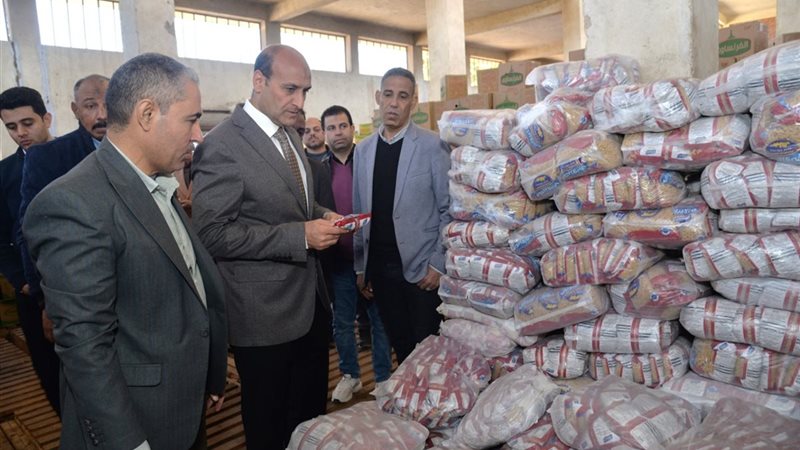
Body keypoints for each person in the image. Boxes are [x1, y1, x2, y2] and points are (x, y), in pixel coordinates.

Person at [22, 53, 228, 450]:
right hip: (136, 425)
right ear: (147, 114)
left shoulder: (157, 182)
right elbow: (85, 346)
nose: (198, 135)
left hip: (181, 408)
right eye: (191, 119)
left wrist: (207, 376)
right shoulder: (74, 202)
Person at [192, 44, 347, 449]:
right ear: (258, 81)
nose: (300, 102)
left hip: (311, 305)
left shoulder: (289, 134)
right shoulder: (222, 144)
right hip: (263, 318)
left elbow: (295, 204)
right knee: (270, 425)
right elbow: (212, 233)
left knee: (309, 419)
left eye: (305, 91)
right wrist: (301, 236)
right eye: (290, 89)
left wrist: (323, 215)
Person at [352, 67, 451, 364]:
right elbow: (359, 212)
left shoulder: (433, 145)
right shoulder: (364, 150)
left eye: (403, 96)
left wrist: (438, 263)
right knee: (402, 348)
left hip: (421, 270)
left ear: (414, 102)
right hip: (381, 271)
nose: (394, 103)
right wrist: (361, 267)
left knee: (429, 352)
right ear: (378, 98)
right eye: (388, 95)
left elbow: (449, 209)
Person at [320, 105, 392, 403]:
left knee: (379, 320)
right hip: (339, 260)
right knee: (342, 323)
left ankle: (384, 378)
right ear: (325, 134)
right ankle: (350, 375)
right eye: (331, 128)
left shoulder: (368, 160)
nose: (338, 132)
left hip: (371, 256)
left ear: (352, 129)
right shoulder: (319, 170)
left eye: (342, 126)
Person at [17, 74, 109, 305]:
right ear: (75, 110)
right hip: (77, 292)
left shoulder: (140, 153)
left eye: (108, 105)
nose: (102, 115)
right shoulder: (48, 157)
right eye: (90, 106)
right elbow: (30, 231)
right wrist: (44, 298)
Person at [0, 86, 61, 415]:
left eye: (28, 123)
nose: (20, 133)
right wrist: (23, 282)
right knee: (51, 373)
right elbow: (0, 238)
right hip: (33, 295)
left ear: (46, 119)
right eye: (11, 127)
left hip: (85, 285)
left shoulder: (75, 158)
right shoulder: (3, 174)